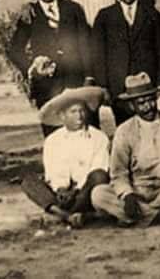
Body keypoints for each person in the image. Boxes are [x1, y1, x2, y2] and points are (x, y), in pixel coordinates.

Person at [91, 73, 160, 228]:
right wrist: (127, 194)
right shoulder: (124, 131)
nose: (148, 106)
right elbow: (119, 174)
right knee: (98, 194)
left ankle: (142, 215)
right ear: (132, 106)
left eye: (151, 100)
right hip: (139, 191)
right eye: (141, 103)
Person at [9, 0, 91, 133]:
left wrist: (89, 76)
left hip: (75, 81)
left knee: (83, 131)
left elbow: (87, 44)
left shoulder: (73, 9)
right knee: (54, 134)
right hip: (47, 87)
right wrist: (32, 70)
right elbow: (15, 50)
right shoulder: (29, 14)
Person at [91, 0, 160, 124]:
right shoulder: (105, 17)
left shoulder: (153, 15)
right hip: (119, 87)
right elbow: (98, 55)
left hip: (148, 85)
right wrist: (104, 86)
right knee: (125, 127)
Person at [21, 86, 109, 228]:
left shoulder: (99, 137)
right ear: (62, 116)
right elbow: (53, 172)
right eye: (73, 112)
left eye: (81, 110)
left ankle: (66, 214)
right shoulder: (53, 141)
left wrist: (77, 190)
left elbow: (99, 168)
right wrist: (60, 189)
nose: (79, 116)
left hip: (85, 193)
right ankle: (67, 215)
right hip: (62, 196)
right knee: (28, 181)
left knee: (99, 176)